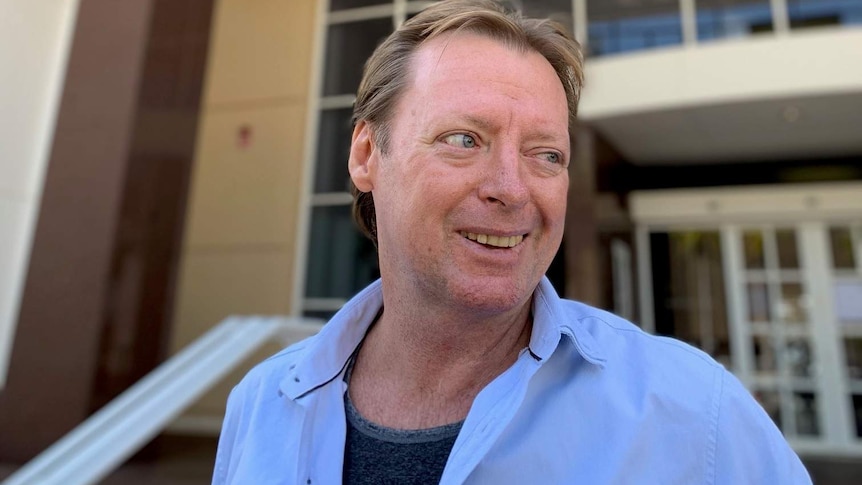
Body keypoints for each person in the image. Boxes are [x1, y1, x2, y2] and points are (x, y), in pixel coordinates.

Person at [213, 1, 811, 483]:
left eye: (545, 155)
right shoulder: (262, 406)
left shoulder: (694, 414)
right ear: (368, 155)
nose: (512, 189)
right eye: (464, 139)